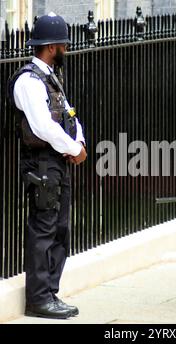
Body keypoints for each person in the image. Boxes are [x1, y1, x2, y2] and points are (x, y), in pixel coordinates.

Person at [8, 13, 87, 319]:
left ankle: (50, 293)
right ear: (53, 46)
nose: (66, 49)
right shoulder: (29, 81)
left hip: (57, 161)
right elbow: (43, 127)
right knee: (43, 230)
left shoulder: (51, 76)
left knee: (60, 229)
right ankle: (39, 299)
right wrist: (71, 148)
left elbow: (68, 113)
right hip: (42, 163)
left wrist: (78, 142)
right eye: (63, 44)